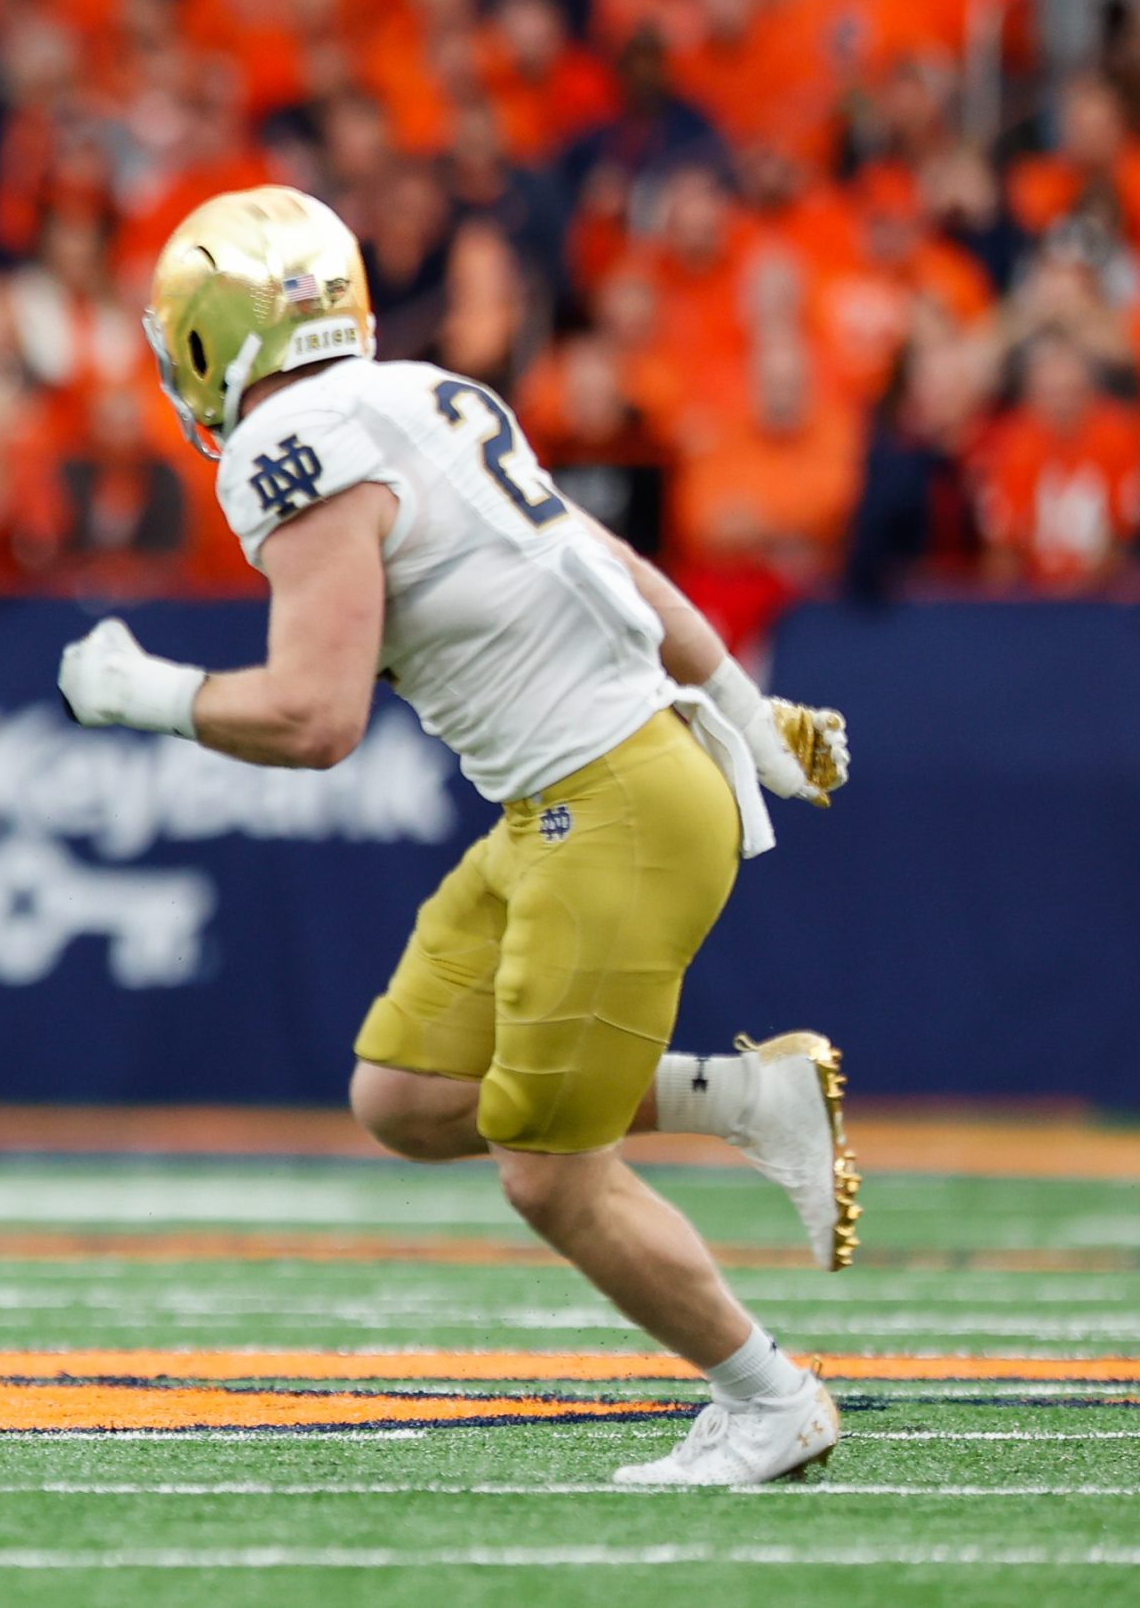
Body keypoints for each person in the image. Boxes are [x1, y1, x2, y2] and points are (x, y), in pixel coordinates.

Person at [57, 186, 857, 1487]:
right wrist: (743, 708)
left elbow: (317, 718)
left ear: (213, 341)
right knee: (409, 1094)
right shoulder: (429, 394)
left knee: (548, 1173)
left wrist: (143, 693)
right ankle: (746, 1096)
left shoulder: (291, 447)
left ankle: (770, 1397)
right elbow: (622, 569)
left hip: (608, 798)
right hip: (590, 787)